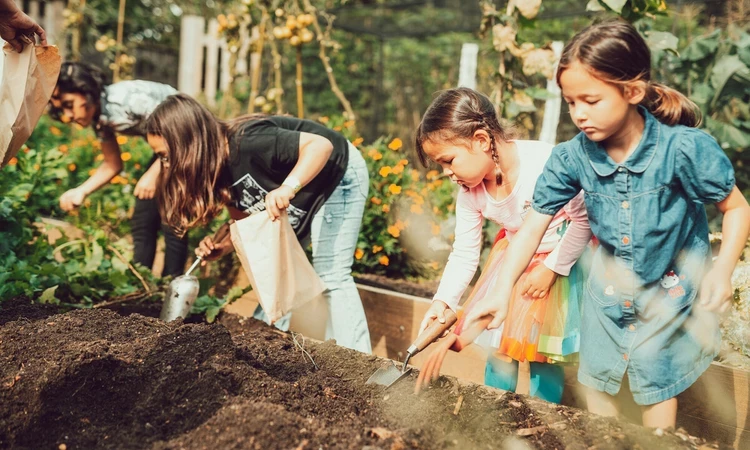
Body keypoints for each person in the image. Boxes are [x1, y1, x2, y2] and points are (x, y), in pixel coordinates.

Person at [465, 19, 750, 429]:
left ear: (632, 92)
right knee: (597, 386)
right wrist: (502, 289)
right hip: (608, 294)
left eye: (591, 100)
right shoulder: (571, 158)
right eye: (570, 102)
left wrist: (722, 271)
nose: (578, 114)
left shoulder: (683, 150)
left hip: (668, 294)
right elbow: (533, 225)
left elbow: (737, 208)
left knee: (656, 385)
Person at [144, 93, 372, 354]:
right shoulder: (216, 166)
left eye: (165, 155)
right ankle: (278, 348)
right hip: (306, 192)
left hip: (335, 172)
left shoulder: (248, 142)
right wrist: (224, 246)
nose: (166, 165)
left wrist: (288, 187)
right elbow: (245, 219)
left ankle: (359, 360)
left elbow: (320, 146)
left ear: (187, 143)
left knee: (331, 272)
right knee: (277, 269)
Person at [415, 87, 591, 403]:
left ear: (481, 141)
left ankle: (545, 416)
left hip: (558, 260)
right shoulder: (470, 192)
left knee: (542, 350)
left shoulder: (543, 164)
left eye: (448, 161)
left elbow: (583, 220)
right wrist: (442, 302)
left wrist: (552, 269)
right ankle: (494, 409)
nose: (447, 173)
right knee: (499, 342)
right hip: (512, 260)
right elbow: (465, 251)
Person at [50, 62, 188, 277]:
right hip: (167, 151)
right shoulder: (101, 120)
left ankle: (171, 289)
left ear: (86, 93)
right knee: (143, 220)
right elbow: (112, 163)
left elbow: (180, 133)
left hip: (189, 142)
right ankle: (140, 287)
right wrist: (81, 191)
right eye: (62, 110)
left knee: (172, 219)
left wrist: (154, 174)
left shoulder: (126, 100)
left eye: (70, 104)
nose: (68, 115)